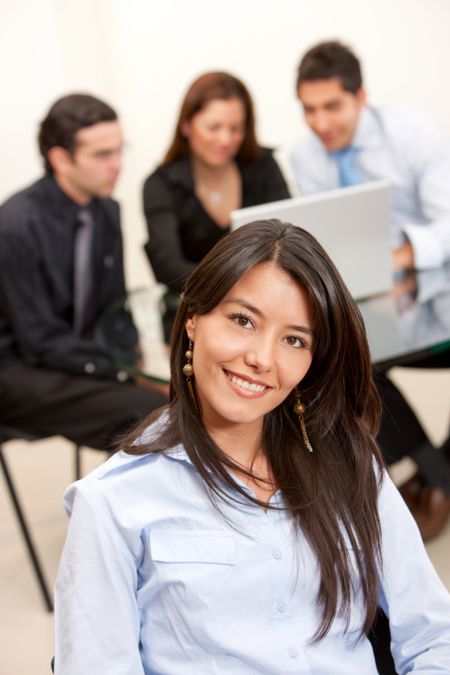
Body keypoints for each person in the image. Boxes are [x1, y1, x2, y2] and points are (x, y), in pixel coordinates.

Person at [55, 220, 450, 673]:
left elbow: (433, 636)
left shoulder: (351, 463)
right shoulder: (112, 501)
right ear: (192, 320)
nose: (262, 359)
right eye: (243, 320)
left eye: (294, 340)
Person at [290, 40, 450, 540]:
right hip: (366, 303)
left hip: (436, 290)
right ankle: (439, 476)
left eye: (332, 106)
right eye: (309, 109)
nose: (321, 123)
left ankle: (437, 477)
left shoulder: (414, 135)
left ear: (361, 96)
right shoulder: (306, 154)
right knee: (345, 362)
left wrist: (396, 260)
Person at [0, 94, 166, 451]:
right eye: (102, 155)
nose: (117, 165)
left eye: (120, 150)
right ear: (60, 158)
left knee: (177, 402)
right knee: (149, 413)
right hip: (17, 366)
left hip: (71, 357)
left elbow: (114, 311)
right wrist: (123, 375)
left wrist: (135, 364)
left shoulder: (107, 211)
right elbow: (39, 339)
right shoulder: (15, 224)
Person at [143, 71, 290, 339]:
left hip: (268, 314)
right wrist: (240, 292)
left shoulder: (264, 167)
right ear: (186, 125)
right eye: (214, 127)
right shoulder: (160, 185)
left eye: (236, 128)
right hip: (191, 318)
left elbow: (291, 238)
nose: (225, 140)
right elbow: (168, 264)